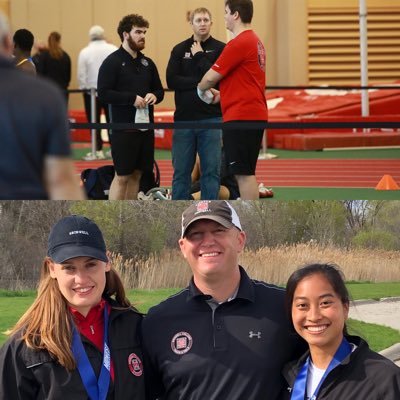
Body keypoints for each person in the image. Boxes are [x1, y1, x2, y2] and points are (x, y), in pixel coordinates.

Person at [141, 200, 303, 400]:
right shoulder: (157, 321)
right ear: (183, 247)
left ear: (240, 240)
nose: (208, 241)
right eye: (195, 234)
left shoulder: (284, 306)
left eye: (218, 231)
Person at [0, 215, 146, 400]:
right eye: (69, 268)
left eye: (91, 265)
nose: (81, 279)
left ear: (107, 262)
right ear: (51, 268)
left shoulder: (136, 326)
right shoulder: (26, 345)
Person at [282, 263, 400, 399]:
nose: (314, 316)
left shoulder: (385, 380)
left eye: (325, 303)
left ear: (345, 308)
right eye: (303, 305)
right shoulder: (289, 375)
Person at [0, 12, 84, 199]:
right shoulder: (43, 92)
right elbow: (61, 179)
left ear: (13, 44)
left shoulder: (27, 69)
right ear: (7, 42)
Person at [197, 0, 269, 200]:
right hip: (251, 112)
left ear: (236, 15)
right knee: (246, 172)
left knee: (243, 174)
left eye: (226, 12)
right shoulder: (255, 41)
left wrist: (200, 89)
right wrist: (223, 95)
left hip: (242, 116)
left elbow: (210, 77)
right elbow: (245, 80)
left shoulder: (239, 43)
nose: (225, 17)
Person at [98, 14, 164, 200]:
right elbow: (103, 93)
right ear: (126, 34)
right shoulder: (112, 62)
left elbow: (159, 91)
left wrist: (154, 95)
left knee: (138, 174)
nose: (142, 36)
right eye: (138, 32)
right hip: (123, 129)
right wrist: (131, 99)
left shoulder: (147, 63)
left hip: (145, 128)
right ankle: (116, 213)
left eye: (144, 32)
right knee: (122, 176)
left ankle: (128, 213)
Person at [166, 7, 225, 200]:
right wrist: (201, 83)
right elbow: (172, 81)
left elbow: (219, 79)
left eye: (205, 20)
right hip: (184, 120)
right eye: (198, 20)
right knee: (181, 173)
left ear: (211, 23)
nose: (202, 24)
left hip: (212, 119)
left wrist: (201, 58)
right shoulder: (179, 49)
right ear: (191, 23)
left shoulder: (221, 49)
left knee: (211, 173)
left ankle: (209, 206)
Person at [77, 25, 118, 161]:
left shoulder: (85, 52)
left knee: (93, 121)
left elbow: (81, 74)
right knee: (112, 121)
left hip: (91, 92)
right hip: (111, 92)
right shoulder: (113, 49)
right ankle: (114, 149)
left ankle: (97, 149)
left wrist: (85, 88)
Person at [35, 31, 71, 103]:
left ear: (48, 41)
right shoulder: (66, 56)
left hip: (47, 92)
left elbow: (39, 75)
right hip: (62, 91)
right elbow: (68, 78)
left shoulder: (43, 56)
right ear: (59, 41)